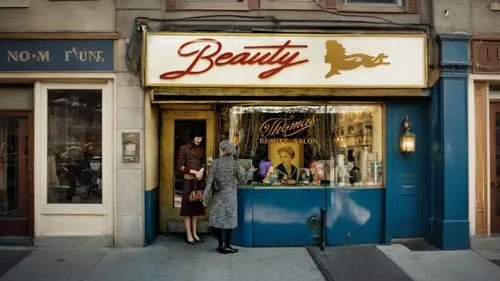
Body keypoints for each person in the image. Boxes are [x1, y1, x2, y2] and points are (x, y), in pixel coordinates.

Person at [202, 140, 255, 254]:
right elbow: (242, 180)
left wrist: (205, 198)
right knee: (229, 220)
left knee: (220, 220)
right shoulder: (235, 164)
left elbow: (209, 182)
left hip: (218, 196)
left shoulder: (215, 163)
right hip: (230, 196)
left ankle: (220, 245)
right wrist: (250, 171)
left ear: (223, 150)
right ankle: (227, 246)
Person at [176, 128, 206, 245]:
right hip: (188, 182)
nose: (199, 140)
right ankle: (188, 234)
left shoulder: (201, 148)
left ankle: (195, 233)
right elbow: (180, 166)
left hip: (198, 182)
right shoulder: (184, 148)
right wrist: (195, 172)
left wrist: (202, 170)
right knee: (187, 210)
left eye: (200, 138)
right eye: (197, 138)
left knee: (195, 210)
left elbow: (203, 162)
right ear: (192, 138)